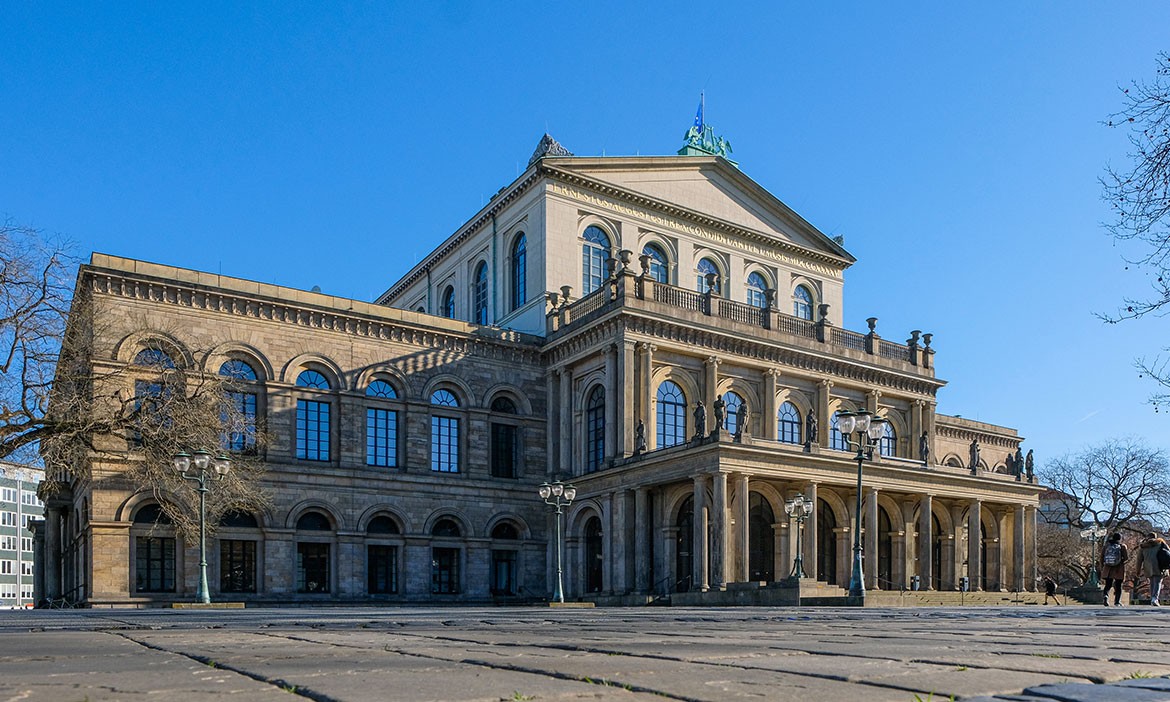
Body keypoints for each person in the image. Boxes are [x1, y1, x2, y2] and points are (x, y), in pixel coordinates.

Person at [1136, 531, 1169, 606]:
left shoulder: (1143, 546)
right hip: (1159, 565)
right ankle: (1155, 598)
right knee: (1157, 582)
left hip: (1148, 566)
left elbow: (1139, 560)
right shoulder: (1161, 543)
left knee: (1152, 582)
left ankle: (1153, 598)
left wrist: (1137, 571)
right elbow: (1168, 552)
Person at [1101, 532, 1128, 606]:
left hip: (1108, 568)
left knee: (1108, 585)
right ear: (1120, 539)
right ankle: (1117, 602)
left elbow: (1102, 557)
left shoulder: (1106, 546)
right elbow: (1126, 558)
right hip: (1118, 568)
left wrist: (1102, 566)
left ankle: (1106, 596)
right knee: (1118, 585)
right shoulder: (1122, 546)